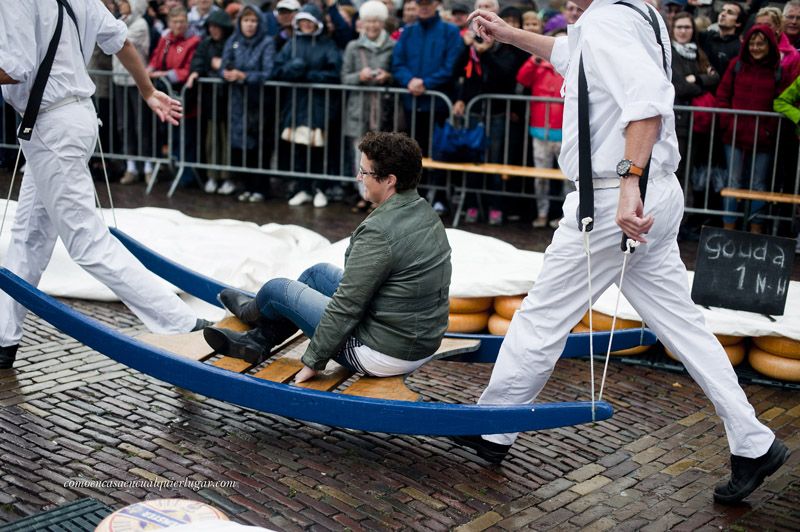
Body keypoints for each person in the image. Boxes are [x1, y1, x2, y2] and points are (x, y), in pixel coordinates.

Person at [458, 2, 789, 505]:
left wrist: (630, 184)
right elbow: (575, 55)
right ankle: (753, 439)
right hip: (648, 190)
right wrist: (510, 35)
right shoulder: (634, 14)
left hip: (615, 196)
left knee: (542, 317)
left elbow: (648, 101)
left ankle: (492, 427)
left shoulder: (609, 20)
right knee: (685, 326)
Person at [0, 0, 208, 370]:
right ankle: (3, 338)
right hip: (70, 118)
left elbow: (15, 68)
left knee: (86, 242)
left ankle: (182, 323)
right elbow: (120, 40)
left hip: (51, 125)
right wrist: (147, 90)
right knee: (28, 237)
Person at [203, 132, 452, 383]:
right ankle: (258, 340)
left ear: (389, 180)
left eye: (364, 172)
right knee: (317, 273)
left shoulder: (379, 232)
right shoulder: (424, 212)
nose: (358, 178)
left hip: (382, 351)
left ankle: (251, 312)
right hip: (415, 340)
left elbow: (348, 305)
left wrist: (314, 361)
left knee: (278, 289)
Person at [273, 3, 343, 208]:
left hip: (319, 103)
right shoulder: (291, 44)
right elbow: (277, 70)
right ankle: (303, 188)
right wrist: (292, 70)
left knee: (318, 148)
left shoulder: (327, 45)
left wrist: (312, 76)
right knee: (299, 147)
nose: (306, 26)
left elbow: (334, 73)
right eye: (302, 22)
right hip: (296, 103)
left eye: (309, 22)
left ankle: (320, 188)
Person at [715, 24, 784, 233]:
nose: (755, 47)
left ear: (769, 45)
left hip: (763, 138)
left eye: (761, 43)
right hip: (734, 136)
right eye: (752, 43)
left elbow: (780, 101)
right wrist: (728, 122)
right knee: (733, 182)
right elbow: (722, 96)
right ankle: (729, 229)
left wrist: (769, 129)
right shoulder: (736, 65)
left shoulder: (777, 70)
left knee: (758, 184)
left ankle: (755, 231)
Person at [341, 0, 396, 213]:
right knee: (359, 157)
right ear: (362, 23)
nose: (372, 26)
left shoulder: (392, 46)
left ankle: (380, 198)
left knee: (382, 157)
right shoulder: (353, 47)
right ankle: (362, 195)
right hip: (358, 109)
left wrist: (388, 77)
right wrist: (359, 76)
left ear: (382, 23)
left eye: (376, 21)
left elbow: (396, 73)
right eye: (368, 21)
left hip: (383, 109)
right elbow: (345, 77)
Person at [221, 5, 276, 203]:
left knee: (259, 146)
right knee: (240, 146)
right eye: (246, 20)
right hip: (237, 102)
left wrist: (243, 76)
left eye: (253, 21)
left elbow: (268, 72)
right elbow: (224, 64)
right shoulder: (233, 40)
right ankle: (245, 186)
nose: (250, 25)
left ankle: (261, 188)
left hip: (258, 102)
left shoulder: (267, 42)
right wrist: (226, 74)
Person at [186, 9, 235, 195]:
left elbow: (231, 64)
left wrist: (220, 65)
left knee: (226, 140)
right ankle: (213, 176)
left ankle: (227, 177)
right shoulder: (205, 43)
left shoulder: (231, 43)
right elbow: (198, 60)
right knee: (211, 140)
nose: (214, 30)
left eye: (217, 27)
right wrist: (196, 72)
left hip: (228, 100)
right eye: (211, 27)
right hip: (210, 101)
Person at [113, 0, 154, 186]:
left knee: (140, 125)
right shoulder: (119, 22)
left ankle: (147, 166)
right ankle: (131, 166)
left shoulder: (140, 24)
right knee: (124, 124)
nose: (120, 5)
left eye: (125, 2)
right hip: (119, 80)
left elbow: (118, 40)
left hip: (136, 83)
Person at [698, 2, 743, 75]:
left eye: (730, 13)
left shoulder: (739, 48)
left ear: (738, 23)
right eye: (722, 10)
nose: (723, 14)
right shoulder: (707, 36)